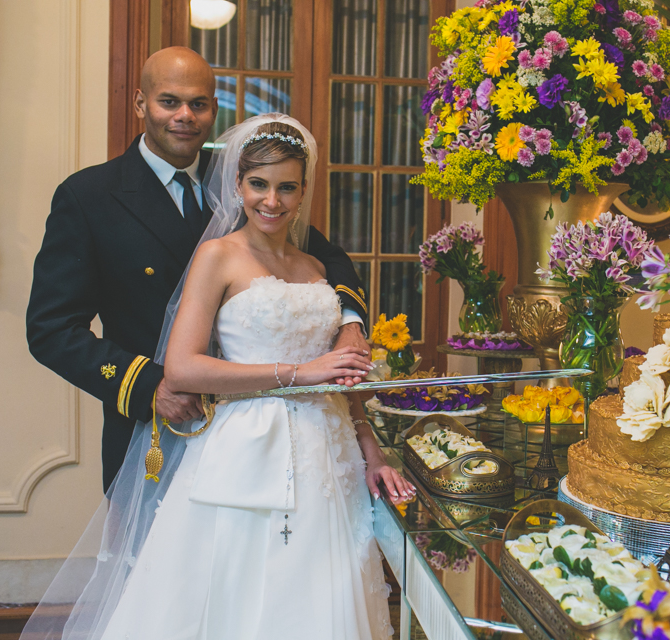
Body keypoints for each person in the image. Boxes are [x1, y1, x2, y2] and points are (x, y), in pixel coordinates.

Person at [21, 115, 415, 640]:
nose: (271, 200)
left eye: (286, 188)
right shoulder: (216, 255)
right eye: (258, 185)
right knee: (231, 596)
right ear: (237, 185)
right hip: (246, 447)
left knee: (321, 600)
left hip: (329, 455)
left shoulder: (318, 268)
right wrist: (301, 373)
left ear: (303, 192)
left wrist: (371, 450)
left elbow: (340, 376)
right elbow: (183, 366)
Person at [26, 47, 370, 492]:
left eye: (199, 104)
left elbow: (328, 258)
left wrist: (349, 324)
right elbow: (51, 329)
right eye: (169, 101)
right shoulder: (88, 196)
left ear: (214, 109)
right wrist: (151, 386)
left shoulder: (242, 180)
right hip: (155, 420)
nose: (185, 115)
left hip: (256, 431)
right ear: (140, 104)